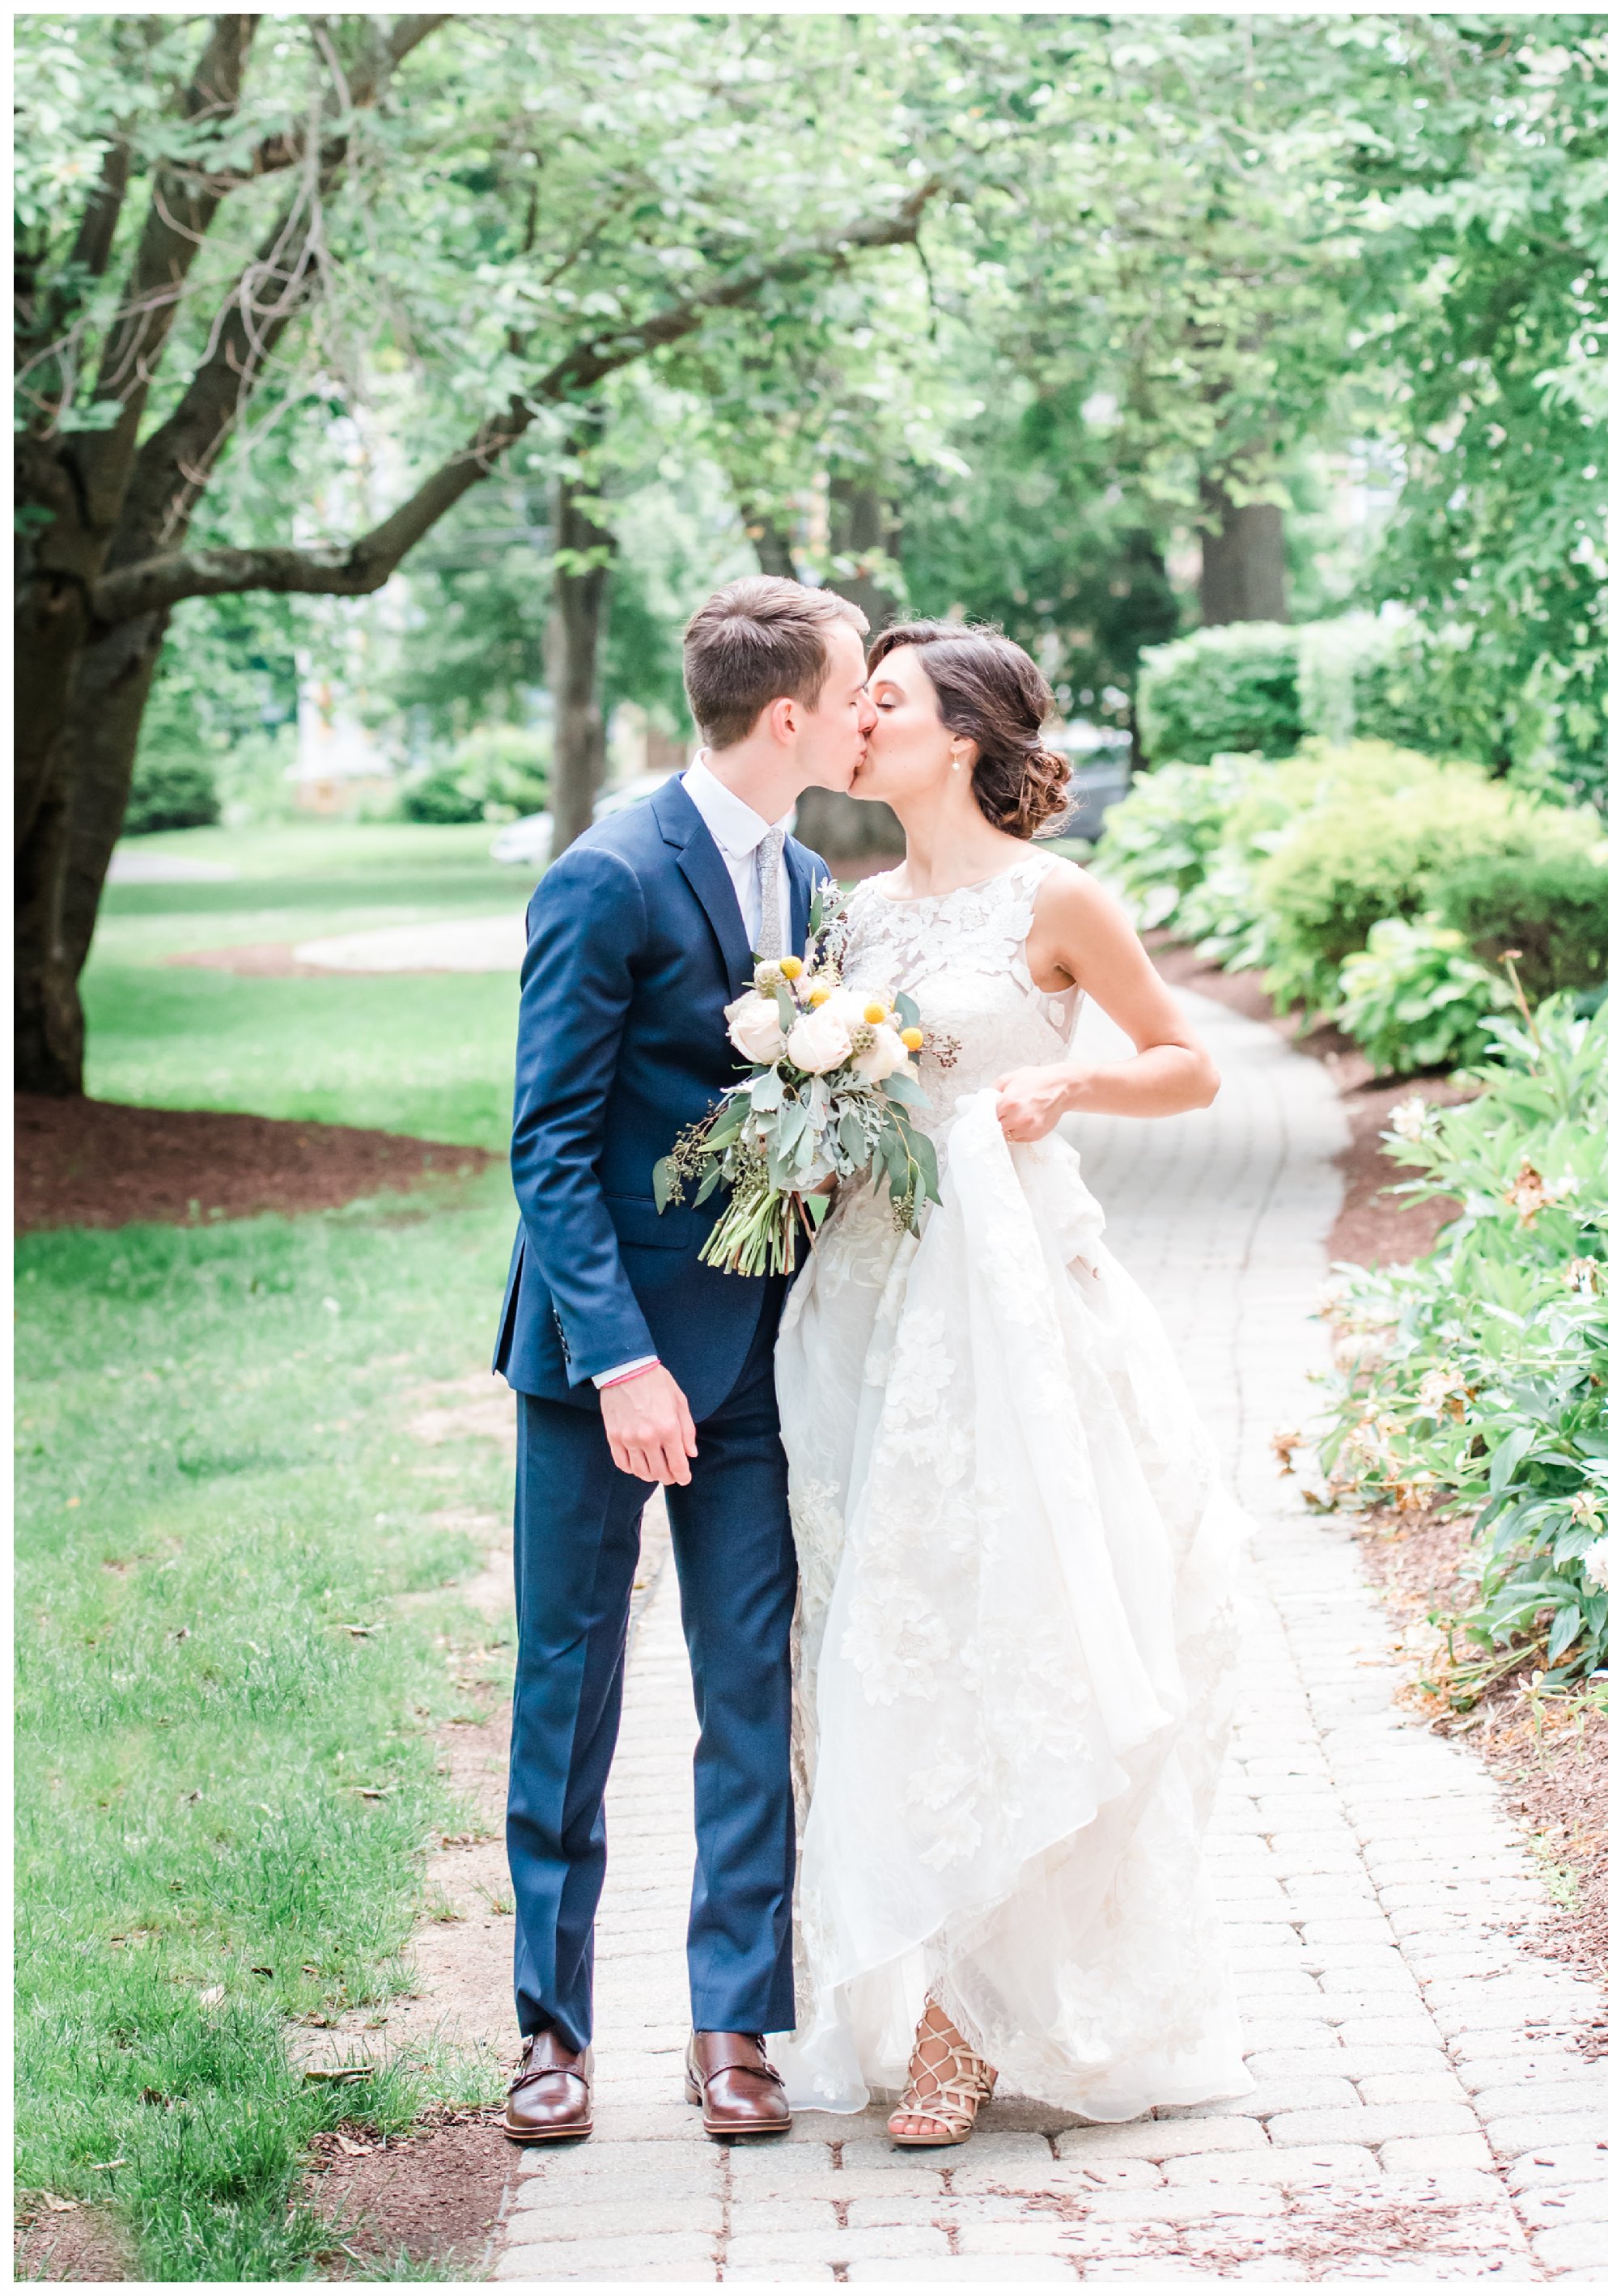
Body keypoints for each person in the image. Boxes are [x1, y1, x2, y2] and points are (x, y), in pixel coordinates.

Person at [774, 621, 1251, 2143]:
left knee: (1011, 1623)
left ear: (961, 738)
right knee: (881, 1634)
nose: (858, 723)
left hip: (1015, 1317)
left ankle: (961, 2024)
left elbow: (1189, 1063)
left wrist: (1066, 1079)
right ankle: (912, 1976)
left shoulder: (1054, 900)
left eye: (886, 702)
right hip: (865, 1299)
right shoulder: (843, 923)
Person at [492, 576, 874, 2144]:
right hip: (603, 1370)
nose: (868, 712)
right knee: (566, 1693)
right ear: (786, 716)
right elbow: (550, 1145)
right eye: (856, 691)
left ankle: (734, 2028)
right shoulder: (604, 878)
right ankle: (549, 2033)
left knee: (746, 1694)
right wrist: (620, 1364)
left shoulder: (809, 878)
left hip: (761, 1363)